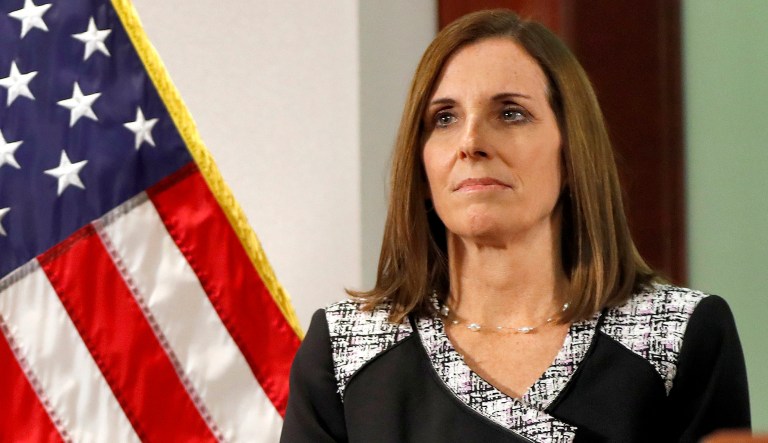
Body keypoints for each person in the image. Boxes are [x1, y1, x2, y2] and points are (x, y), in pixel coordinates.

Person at [280, 9, 750, 442]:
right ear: (421, 169)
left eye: (510, 113)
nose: (470, 142)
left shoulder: (678, 333)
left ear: (573, 153)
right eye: (444, 118)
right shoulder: (345, 348)